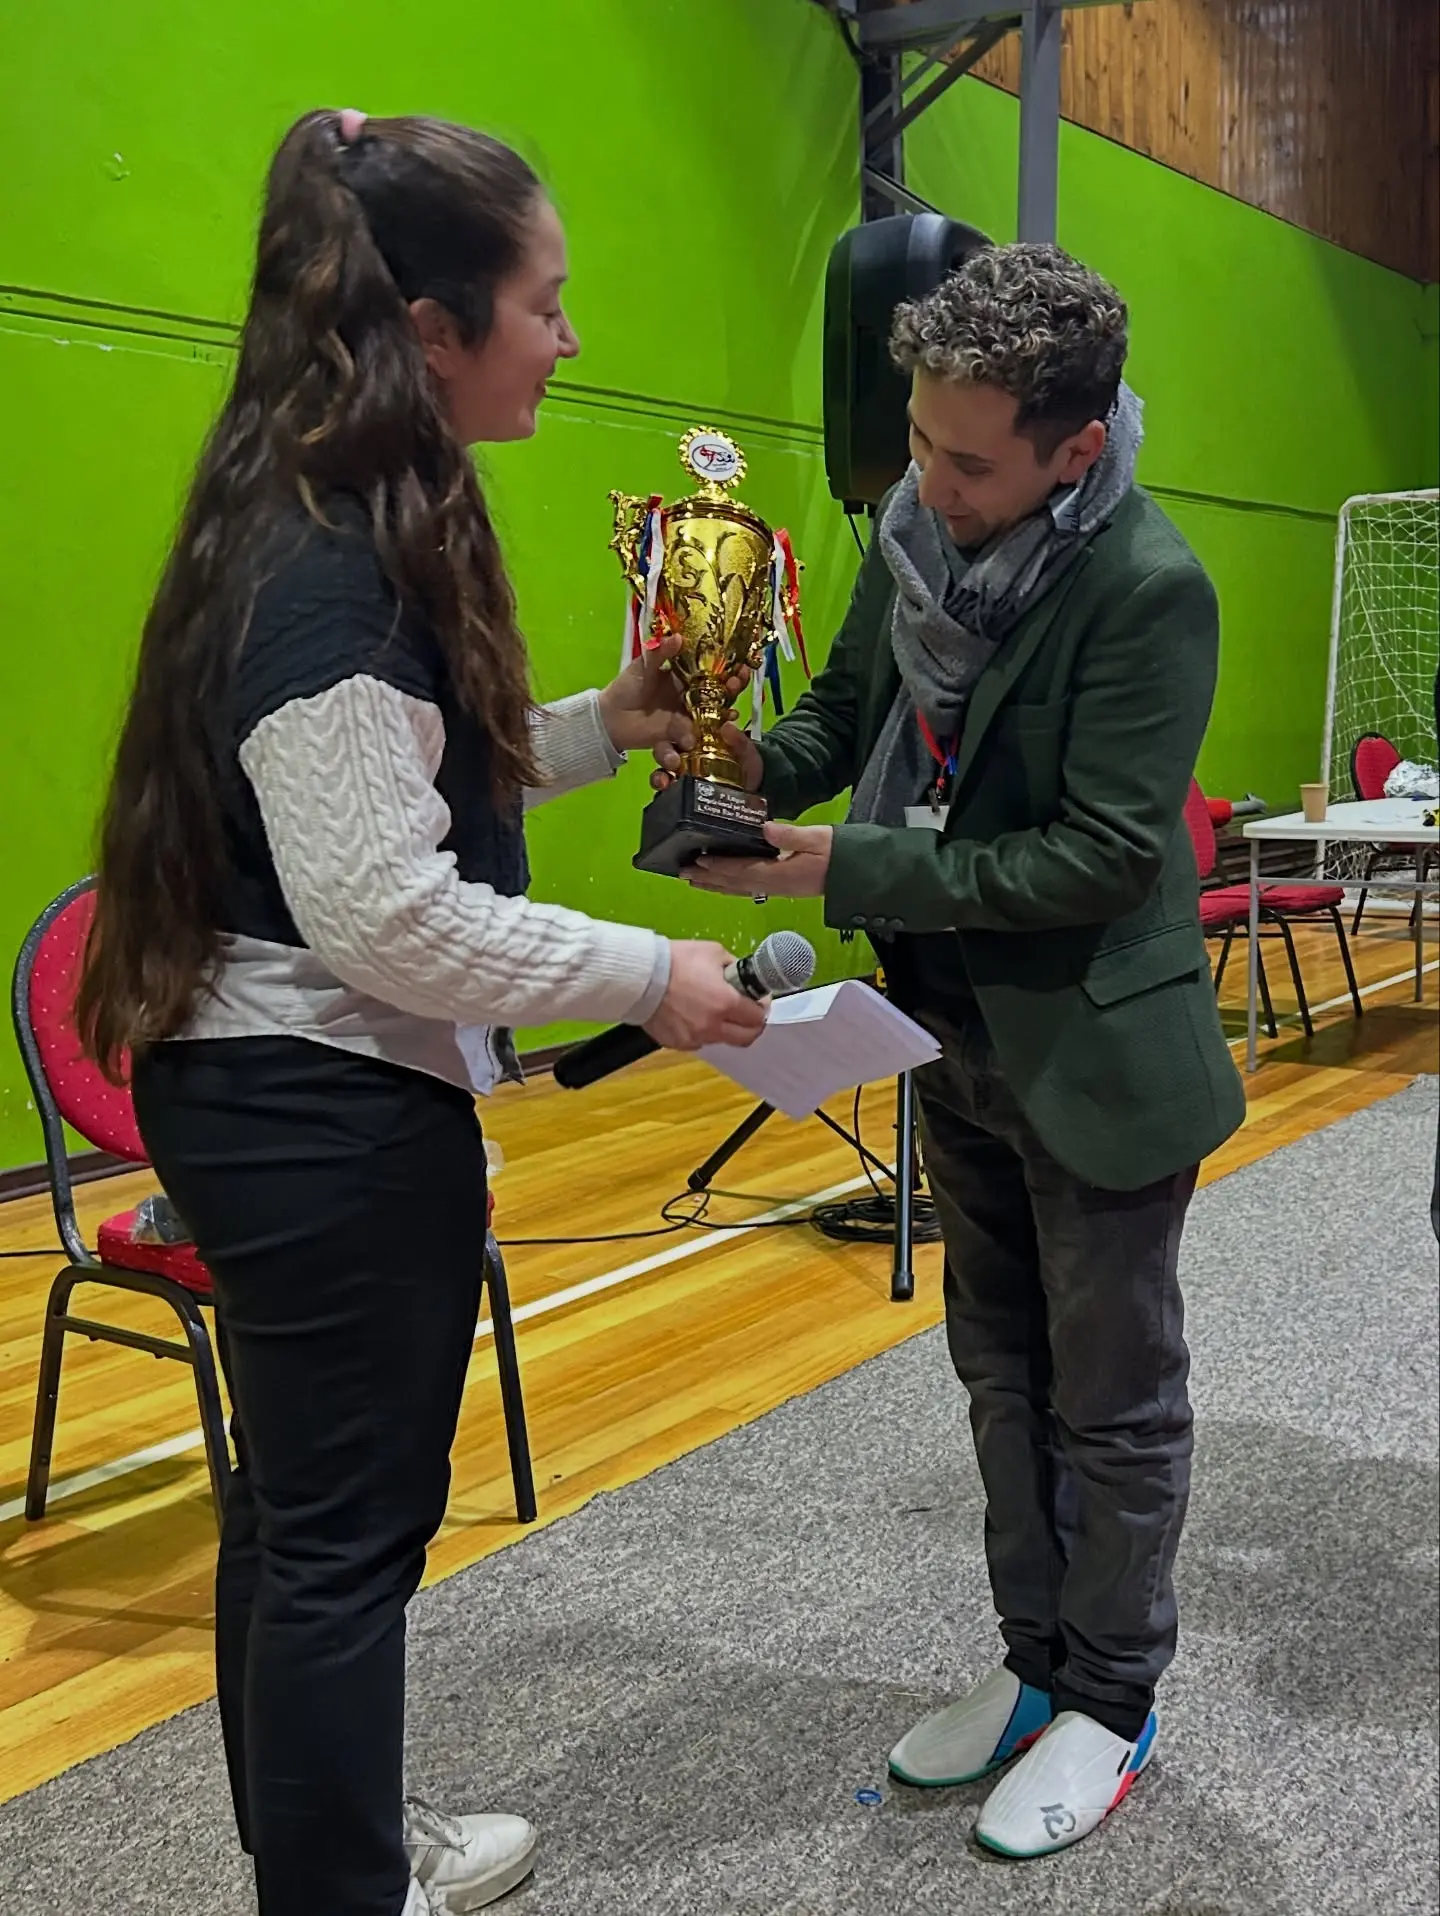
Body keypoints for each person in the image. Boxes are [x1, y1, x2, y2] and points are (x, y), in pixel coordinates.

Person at [76, 109, 766, 1916]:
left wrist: (605, 727)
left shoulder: (322, 507)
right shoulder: (327, 564)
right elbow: (387, 912)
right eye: (545, 302)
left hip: (271, 1090)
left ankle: (329, 1853)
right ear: (433, 327)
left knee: (302, 1524)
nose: (570, 338)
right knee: (342, 1544)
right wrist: (656, 979)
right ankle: (338, 1883)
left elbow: (394, 797)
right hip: (315, 1112)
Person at [659, 242, 1246, 1860]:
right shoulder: (917, 525)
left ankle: (1113, 1705)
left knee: (1111, 1401)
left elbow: (1096, 858)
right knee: (998, 1371)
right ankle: (1032, 1667)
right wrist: (725, 763)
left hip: (1098, 1057)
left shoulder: (1148, 585)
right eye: (915, 437)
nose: (927, 478)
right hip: (942, 1027)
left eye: (968, 458)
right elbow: (841, 715)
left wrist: (829, 863)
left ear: (1075, 447)